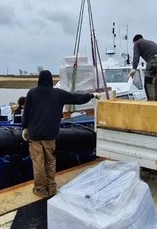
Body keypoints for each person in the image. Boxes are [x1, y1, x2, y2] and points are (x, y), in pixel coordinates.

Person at [21, 70, 99, 198]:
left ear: (39, 80)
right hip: (50, 135)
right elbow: (76, 98)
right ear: (51, 80)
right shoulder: (58, 94)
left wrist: (24, 128)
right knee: (50, 161)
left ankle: (40, 190)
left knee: (38, 163)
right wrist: (92, 95)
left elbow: (26, 112)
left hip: (34, 135)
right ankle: (51, 188)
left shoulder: (32, 93)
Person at [130, 33, 157, 101]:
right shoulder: (149, 42)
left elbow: (136, 57)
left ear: (135, 41)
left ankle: (151, 102)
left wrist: (134, 69)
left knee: (149, 83)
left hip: (154, 61)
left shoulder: (137, 43)